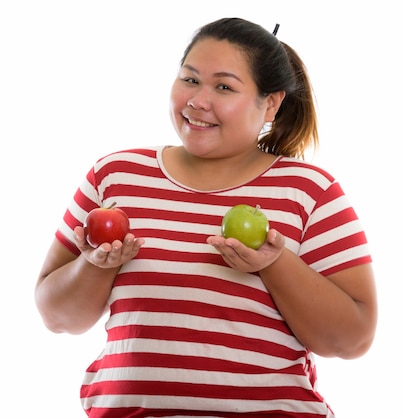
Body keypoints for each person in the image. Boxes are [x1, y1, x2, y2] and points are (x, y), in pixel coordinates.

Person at [35, 17, 377, 418]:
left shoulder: (308, 190)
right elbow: (57, 318)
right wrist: (93, 266)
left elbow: (350, 341)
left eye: (224, 87)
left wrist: (274, 263)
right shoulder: (114, 176)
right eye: (190, 80)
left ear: (270, 103)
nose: (198, 100)